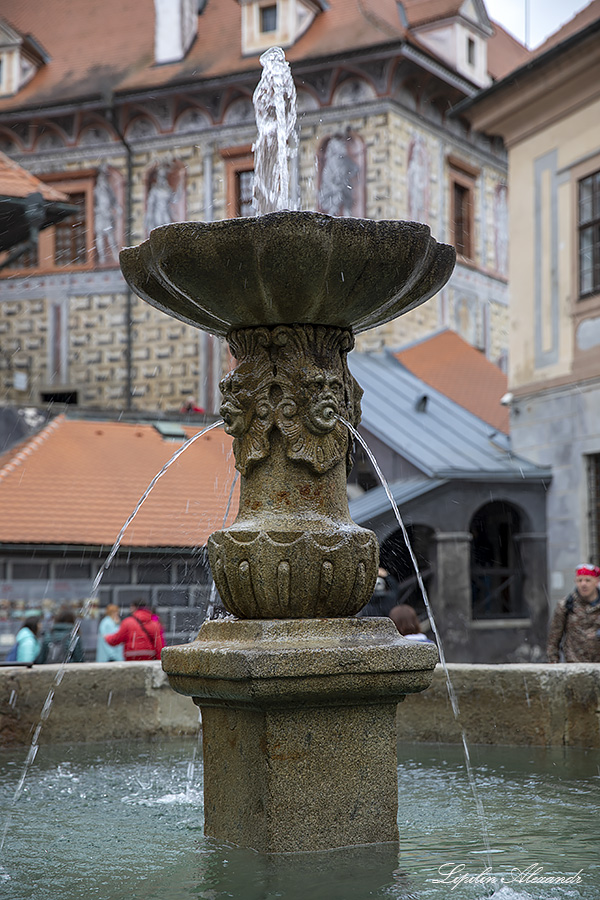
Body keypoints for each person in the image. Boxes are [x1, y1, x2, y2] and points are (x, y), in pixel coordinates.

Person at [547, 563, 600, 663]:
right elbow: (554, 639)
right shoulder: (566, 605)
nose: (583, 584)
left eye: (588, 580)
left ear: (596, 581)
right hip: (575, 667)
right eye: (579, 580)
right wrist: (553, 667)